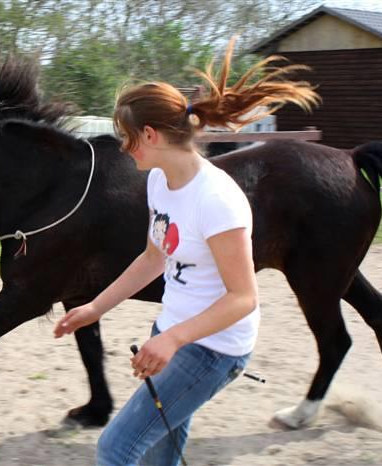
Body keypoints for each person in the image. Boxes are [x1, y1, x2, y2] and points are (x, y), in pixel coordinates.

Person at [53, 37, 319, 466]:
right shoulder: (159, 181)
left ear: (150, 135)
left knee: (115, 447)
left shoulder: (216, 200)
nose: (123, 148)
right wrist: (95, 308)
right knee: (160, 458)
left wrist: (175, 339)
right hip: (173, 335)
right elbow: (152, 259)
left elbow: (243, 298)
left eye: (127, 137)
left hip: (213, 350)